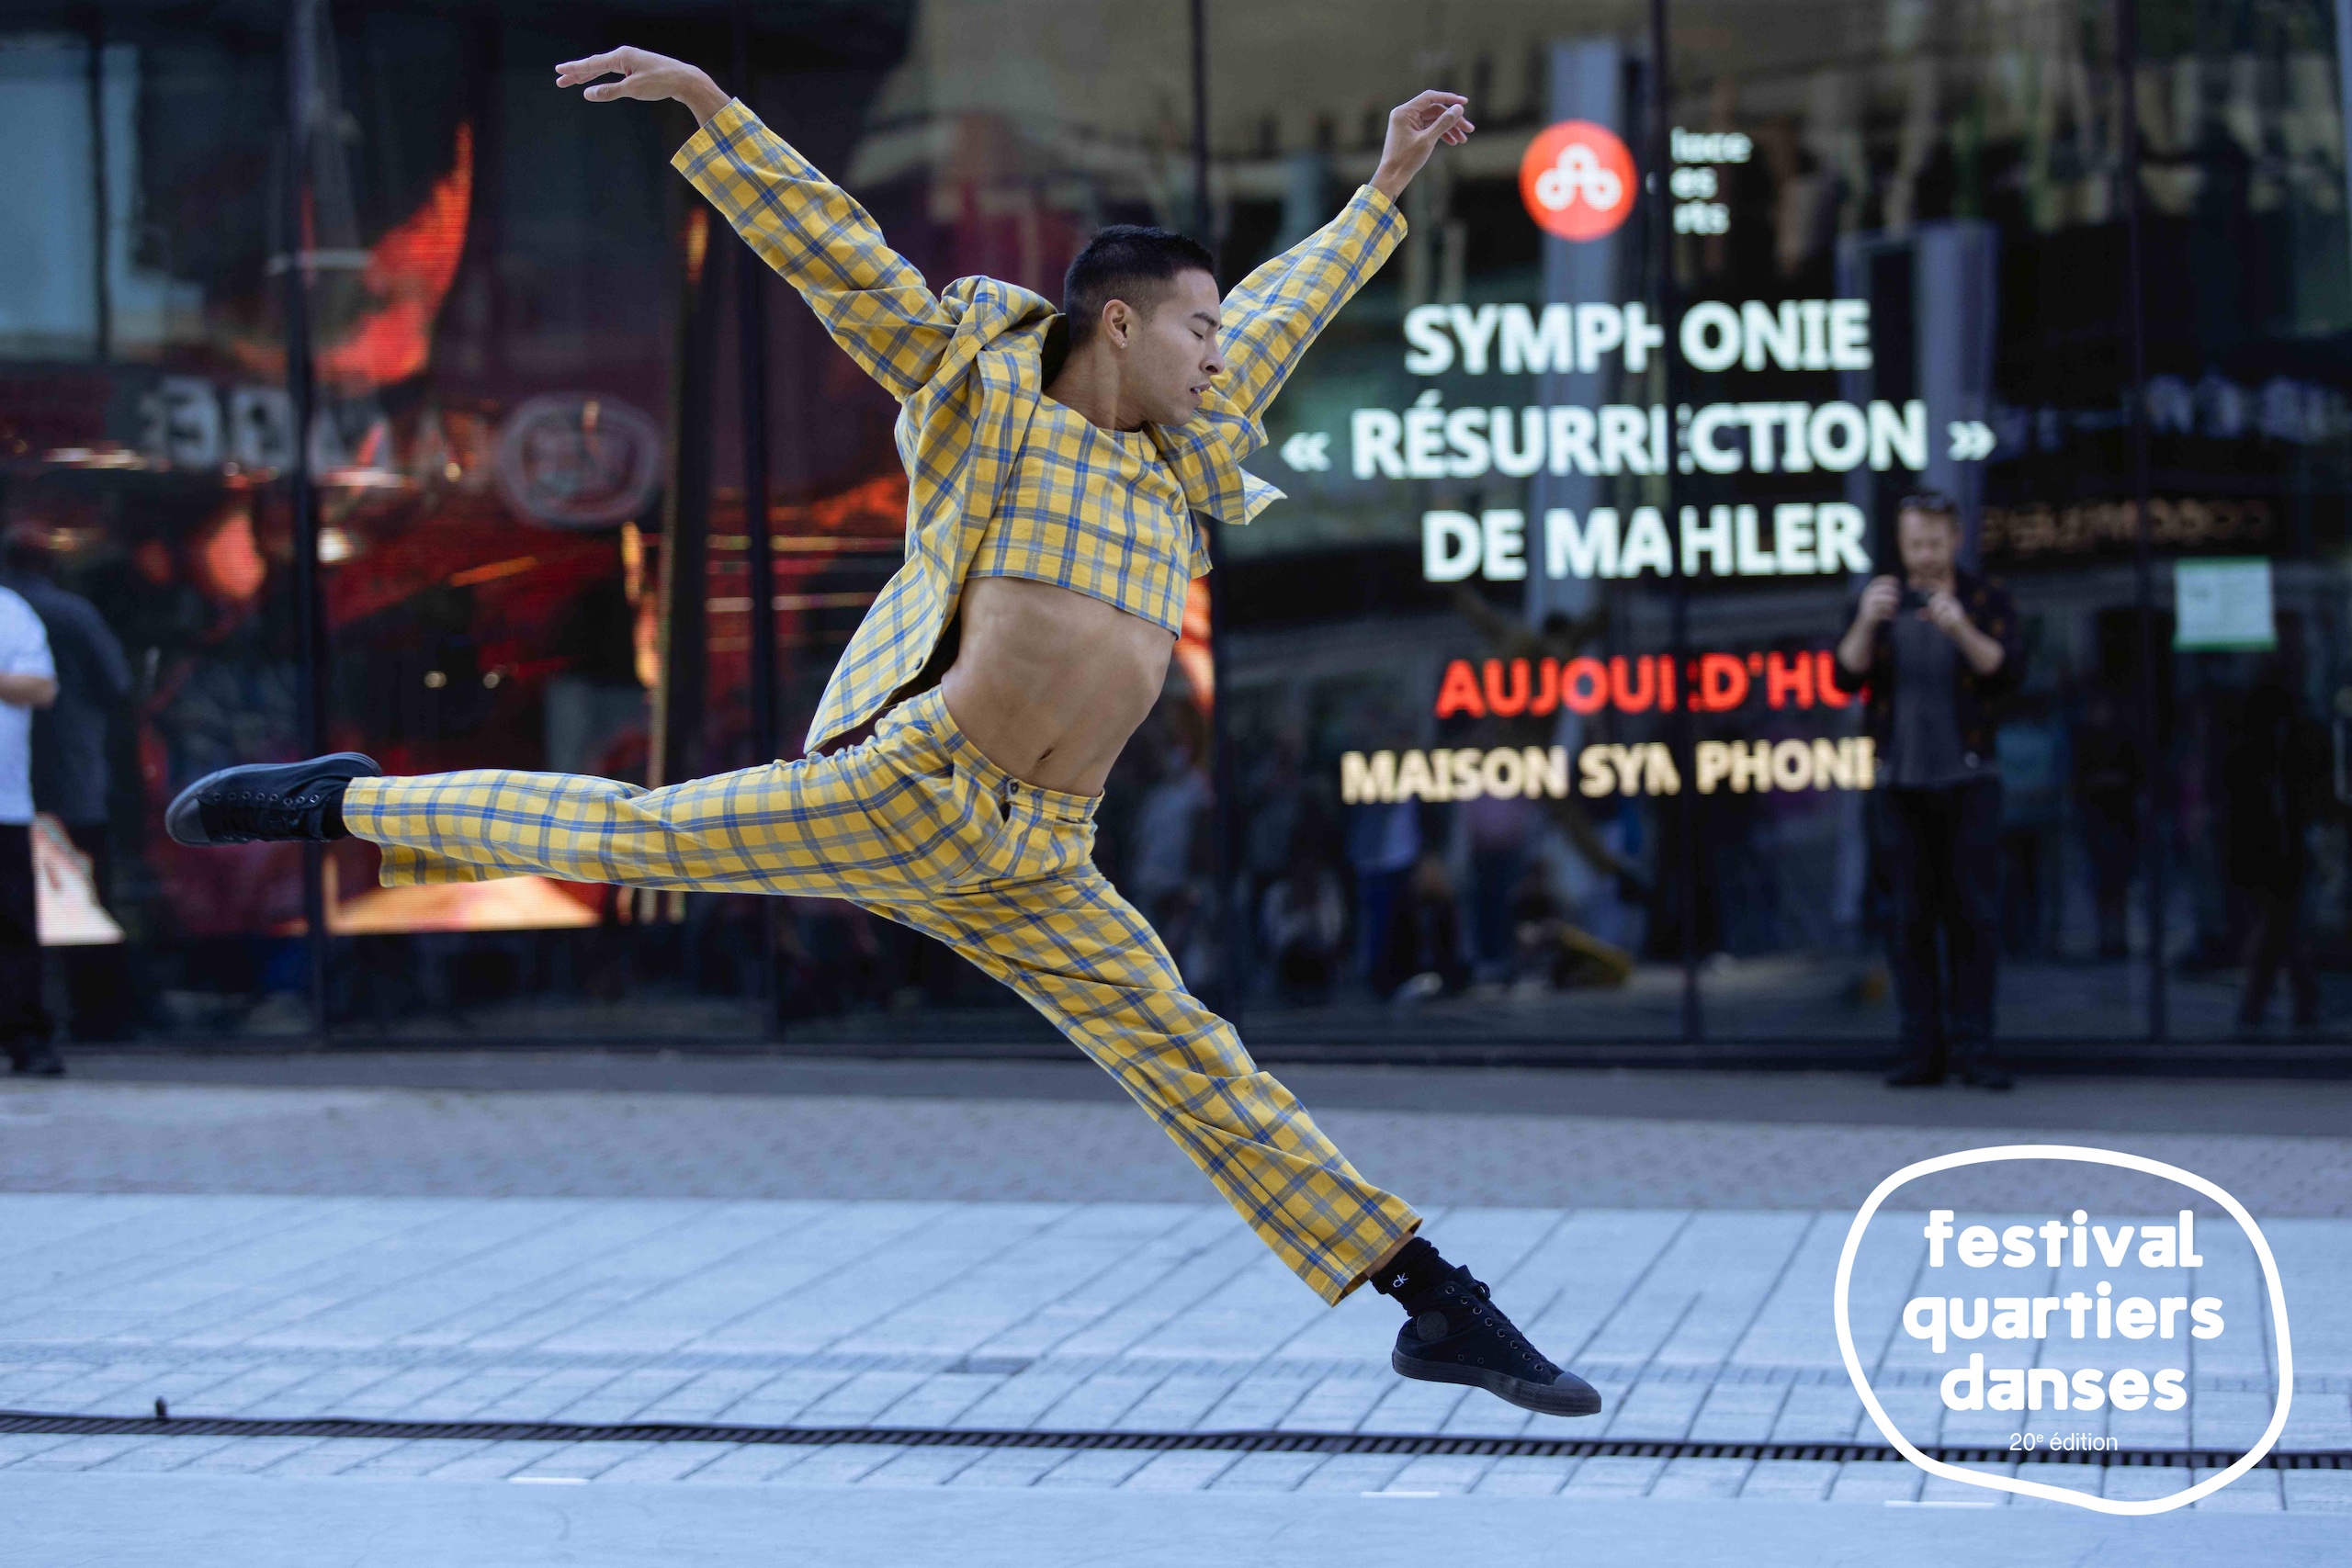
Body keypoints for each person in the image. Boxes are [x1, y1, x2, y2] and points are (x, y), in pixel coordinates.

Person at [161, 47, 1598, 1418]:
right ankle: (345, 802)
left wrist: (1385, 186)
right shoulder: (988, 402)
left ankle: (1429, 1295)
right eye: (1200, 327)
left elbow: (1293, 300)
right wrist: (713, 114)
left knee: (1195, 1058)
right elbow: (839, 255)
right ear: (1117, 322)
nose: (1226, 351)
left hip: (1040, 851)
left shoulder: (1183, 448)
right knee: (635, 831)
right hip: (909, 787)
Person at [1834, 491, 2024, 1089]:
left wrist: (1959, 625)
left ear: (1955, 539)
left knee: (1974, 918)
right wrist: (1866, 619)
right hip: (1899, 781)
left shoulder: (1984, 600)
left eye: (1933, 543)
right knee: (1908, 919)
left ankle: (1976, 1048)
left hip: (1969, 780)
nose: (1923, 555)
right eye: (1913, 543)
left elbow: (2007, 670)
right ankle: (1921, 1048)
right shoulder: (1880, 601)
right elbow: (1844, 675)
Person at [3, 533, 135, 1039]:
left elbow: (45, 686)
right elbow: (118, 685)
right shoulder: (70, 612)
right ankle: (98, 1017)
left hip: (40, 783)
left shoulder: (18, 613)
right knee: (78, 903)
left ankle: (59, 1021)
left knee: (29, 913)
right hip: (67, 780)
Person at [2220, 671, 2322, 1030]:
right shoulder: (2249, 757)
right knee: (2279, 926)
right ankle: (2285, 998)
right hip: (2263, 855)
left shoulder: (2290, 755)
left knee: (2282, 927)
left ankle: (2272, 1000)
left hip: (2282, 853)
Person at [0, 580, 61, 1076]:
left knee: (14, 927)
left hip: (5, 806)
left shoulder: (9, 610)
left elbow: (42, 687)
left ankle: (26, 1040)